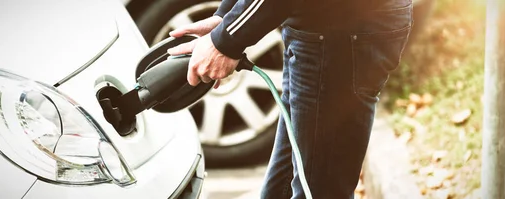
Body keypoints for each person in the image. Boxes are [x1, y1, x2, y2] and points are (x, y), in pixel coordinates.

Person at [167, 0, 413, 197]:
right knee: (280, 190)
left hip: (339, 33)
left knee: (319, 191)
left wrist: (227, 39)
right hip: (327, 28)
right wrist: (226, 16)